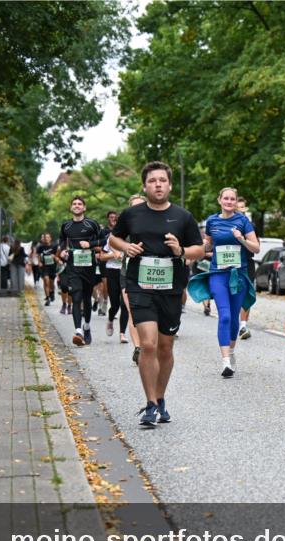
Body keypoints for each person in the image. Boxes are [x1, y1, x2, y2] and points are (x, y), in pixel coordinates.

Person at [110, 161, 204, 428]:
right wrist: (126, 246)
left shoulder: (183, 217)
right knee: (148, 344)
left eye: (162, 180)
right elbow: (113, 239)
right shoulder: (132, 214)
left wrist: (181, 251)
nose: (158, 185)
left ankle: (160, 398)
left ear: (170, 185)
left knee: (165, 346)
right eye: (152, 181)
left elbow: (199, 249)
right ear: (144, 185)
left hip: (171, 288)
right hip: (140, 285)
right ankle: (150, 404)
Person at [188, 187, 258, 378]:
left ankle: (232, 351)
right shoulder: (212, 221)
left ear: (235, 202)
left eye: (232, 199)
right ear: (219, 200)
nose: (229, 201)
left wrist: (241, 239)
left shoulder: (243, 221)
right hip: (218, 273)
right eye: (225, 198)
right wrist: (194, 252)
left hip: (239, 275)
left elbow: (256, 247)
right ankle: (225, 361)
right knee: (225, 316)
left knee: (234, 317)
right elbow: (208, 244)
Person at [58, 197, 101, 345]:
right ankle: (78, 331)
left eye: (79, 204)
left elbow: (104, 240)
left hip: (89, 266)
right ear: (71, 208)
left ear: (84, 208)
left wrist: (90, 244)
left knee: (87, 298)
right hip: (73, 266)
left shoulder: (92, 224)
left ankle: (87, 326)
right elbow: (62, 240)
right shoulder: (66, 225)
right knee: (76, 297)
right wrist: (63, 250)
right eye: (74, 204)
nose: (77, 206)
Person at [121, 195, 145, 363]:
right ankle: (138, 347)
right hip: (127, 274)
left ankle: (146, 345)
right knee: (132, 311)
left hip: (148, 275)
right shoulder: (124, 226)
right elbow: (112, 241)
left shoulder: (156, 225)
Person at [97, 210, 128, 341]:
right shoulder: (111, 238)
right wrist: (112, 255)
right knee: (115, 304)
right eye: (115, 221)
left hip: (126, 272)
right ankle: (110, 319)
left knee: (125, 304)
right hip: (112, 272)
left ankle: (122, 333)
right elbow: (102, 256)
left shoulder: (130, 237)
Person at [237, 195, 255, 340]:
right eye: (240, 207)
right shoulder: (225, 224)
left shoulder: (250, 225)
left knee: (246, 293)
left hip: (247, 263)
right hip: (230, 264)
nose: (242, 211)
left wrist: (244, 240)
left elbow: (256, 246)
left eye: (244, 208)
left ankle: (243, 325)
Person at [34, 233, 58, 305]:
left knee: (51, 282)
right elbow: (38, 255)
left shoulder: (54, 246)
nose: (46, 239)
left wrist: (55, 257)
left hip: (52, 266)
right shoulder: (41, 247)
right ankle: (47, 298)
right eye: (45, 237)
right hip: (44, 266)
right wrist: (39, 262)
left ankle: (52, 292)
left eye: (48, 237)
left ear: (50, 238)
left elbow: (57, 254)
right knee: (46, 281)